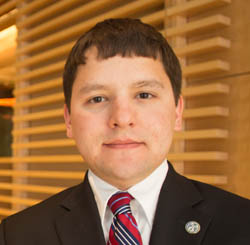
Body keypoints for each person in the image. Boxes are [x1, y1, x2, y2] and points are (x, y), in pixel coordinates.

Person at [0, 18, 250, 245]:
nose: (121, 118)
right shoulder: (17, 235)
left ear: (177, 111)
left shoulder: (242, 223)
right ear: (68, 120)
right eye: (97, 99)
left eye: (144, 95)